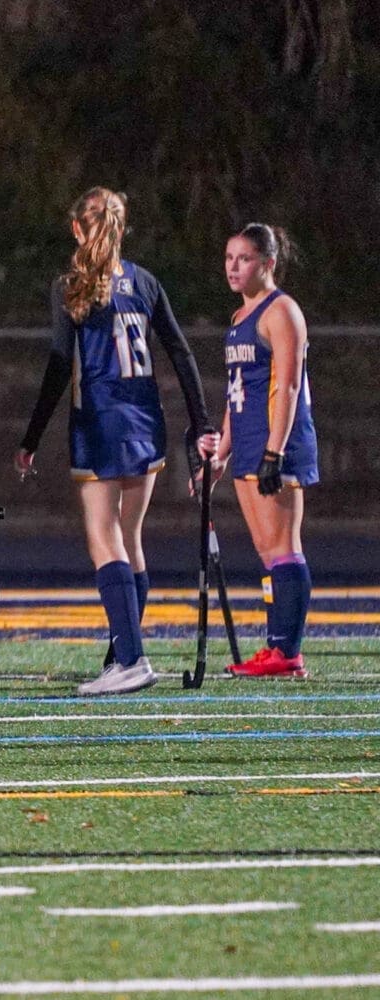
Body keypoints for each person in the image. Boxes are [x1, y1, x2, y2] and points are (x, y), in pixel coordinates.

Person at [15, 188, 209, 695]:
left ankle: (131, 658)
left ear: (78, 229)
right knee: (130, 538)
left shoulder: (71, 285)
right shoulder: (143, 280)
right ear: (121, 228)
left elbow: (59, 366)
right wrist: (202, 423)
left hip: (100, 420)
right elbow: (182, 354)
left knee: (104, 537)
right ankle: (122, 653)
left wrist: (31, 436)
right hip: (145, 420)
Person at [200, 223, 318, 678]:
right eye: (229, 258)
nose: (233, 267)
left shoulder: (281, 311)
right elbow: (236, 393)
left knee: (284, 546)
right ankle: (276, 649)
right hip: (249, 440)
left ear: (266, 264)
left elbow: (286, 384)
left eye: (243, 258)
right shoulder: (237, 318)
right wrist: (222, 454)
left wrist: (275, 450)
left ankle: (287, 652)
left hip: (277, 441)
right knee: (267, 552)